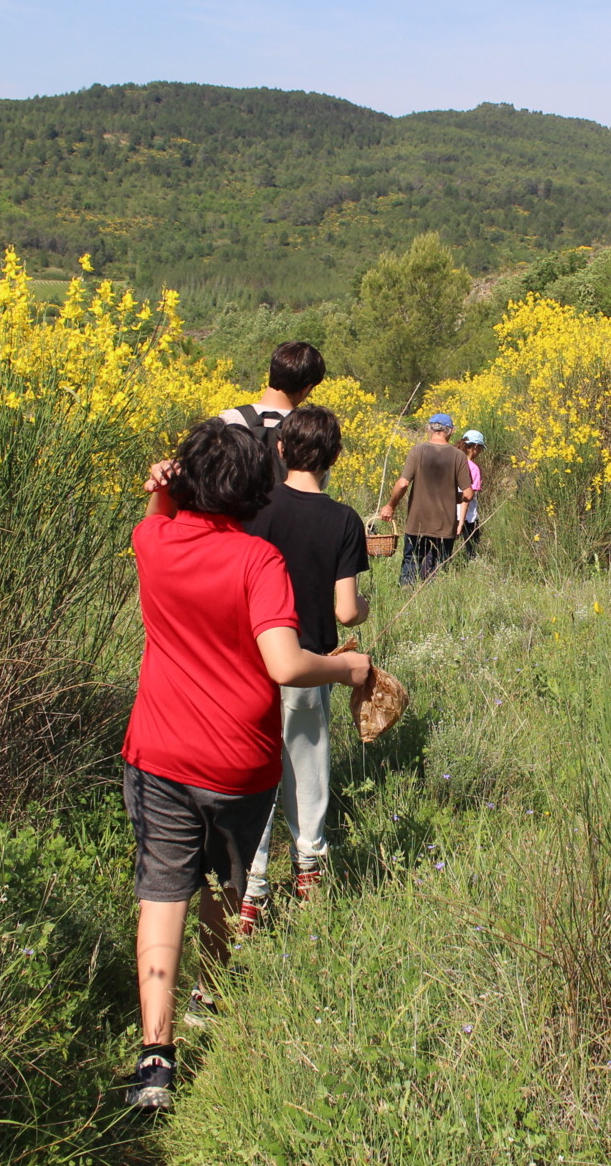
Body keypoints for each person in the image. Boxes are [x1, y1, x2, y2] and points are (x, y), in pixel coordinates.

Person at [123, 419, 370, 1112]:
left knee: (163, 892)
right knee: (225, 884)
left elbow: (156, 519)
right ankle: (209, 993)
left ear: (189, 479)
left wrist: (163, 488)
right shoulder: (257, 561)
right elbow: (285, 663)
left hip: (160, 753)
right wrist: (348, 667)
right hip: (239, 762)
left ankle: (156, 1055)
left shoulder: (154, 541)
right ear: (257, 486)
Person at [237, 405, 369, 929]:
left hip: (253, 661)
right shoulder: (344, 520)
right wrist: (364, 609)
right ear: (334, 456)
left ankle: (250, 893)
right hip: (312, 662)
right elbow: (346, 611)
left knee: (254, 779)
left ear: (280, 449)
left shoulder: (255, 510)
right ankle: (309, 874)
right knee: (307, 772)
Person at [378, 412, 472, 584]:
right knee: (438, 570)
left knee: (411, 562)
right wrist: (453, 496)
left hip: (417, 523)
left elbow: (403, 484)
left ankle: (407, 593)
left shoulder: (417, 451)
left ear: (429, 429)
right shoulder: (458, 456)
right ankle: (433, 598)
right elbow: (468, 494)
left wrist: (390, 506)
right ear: (451, 431)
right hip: (445, 526)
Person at [219, 340, 326, 479]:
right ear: (307, 388)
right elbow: (319, 482)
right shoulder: (311, 429)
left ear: (270, 371)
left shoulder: (229, 420)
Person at [455, 429, 486, 560]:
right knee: (472, 549)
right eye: (480, 448)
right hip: (468, 516)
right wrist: (461, 522)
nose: (480, 452)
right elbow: (467, 498)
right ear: (475, 446)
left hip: (449, 512)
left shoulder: (453, 463)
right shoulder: (473, 468)